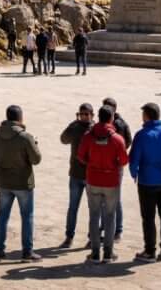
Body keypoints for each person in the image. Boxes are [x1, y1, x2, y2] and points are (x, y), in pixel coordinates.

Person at [0, 105, 42, 261]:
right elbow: (36, 159)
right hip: (23, 183)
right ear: (20, 118)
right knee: (27, 217)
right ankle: (27, 252)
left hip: (3, 182)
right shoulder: (26, 137)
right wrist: (35, 145)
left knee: (2, 216)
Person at [77, 105, 129, 263]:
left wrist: (91, 164)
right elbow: (125, 160)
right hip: (111, 181)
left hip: (93, 180)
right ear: (112, 118)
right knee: (110, 215)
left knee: (94, 215)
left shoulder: (88, 136)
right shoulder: (117, 139)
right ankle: (108, 252)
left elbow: (80, 156)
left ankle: (94, 253)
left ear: (97, 117)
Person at [129, 102, 161, 261]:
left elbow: (134, 159)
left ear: (147, 116)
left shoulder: (142, 135)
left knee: (148, 217)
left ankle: (150, 251)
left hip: (147, 181)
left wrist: (134, 173)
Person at [60, 103, 94, 248]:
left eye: (87, 114)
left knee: (93, 208)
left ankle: (92, 237)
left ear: (92, 115)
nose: (85, 117)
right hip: (75, 174)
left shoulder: (95, 130)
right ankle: (69, 237)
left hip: (90, 175)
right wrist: (72, 125)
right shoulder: (74, 127)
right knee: (73, 207)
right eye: (82, 114)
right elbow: (63, 139)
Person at [102, 98, 132, 241]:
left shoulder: (119, 124)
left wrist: (119, 154)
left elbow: (127, 141)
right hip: (108, 164)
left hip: (115, 165)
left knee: (115, 198)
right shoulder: (108, 123)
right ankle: (109, 228)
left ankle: (117, 229)